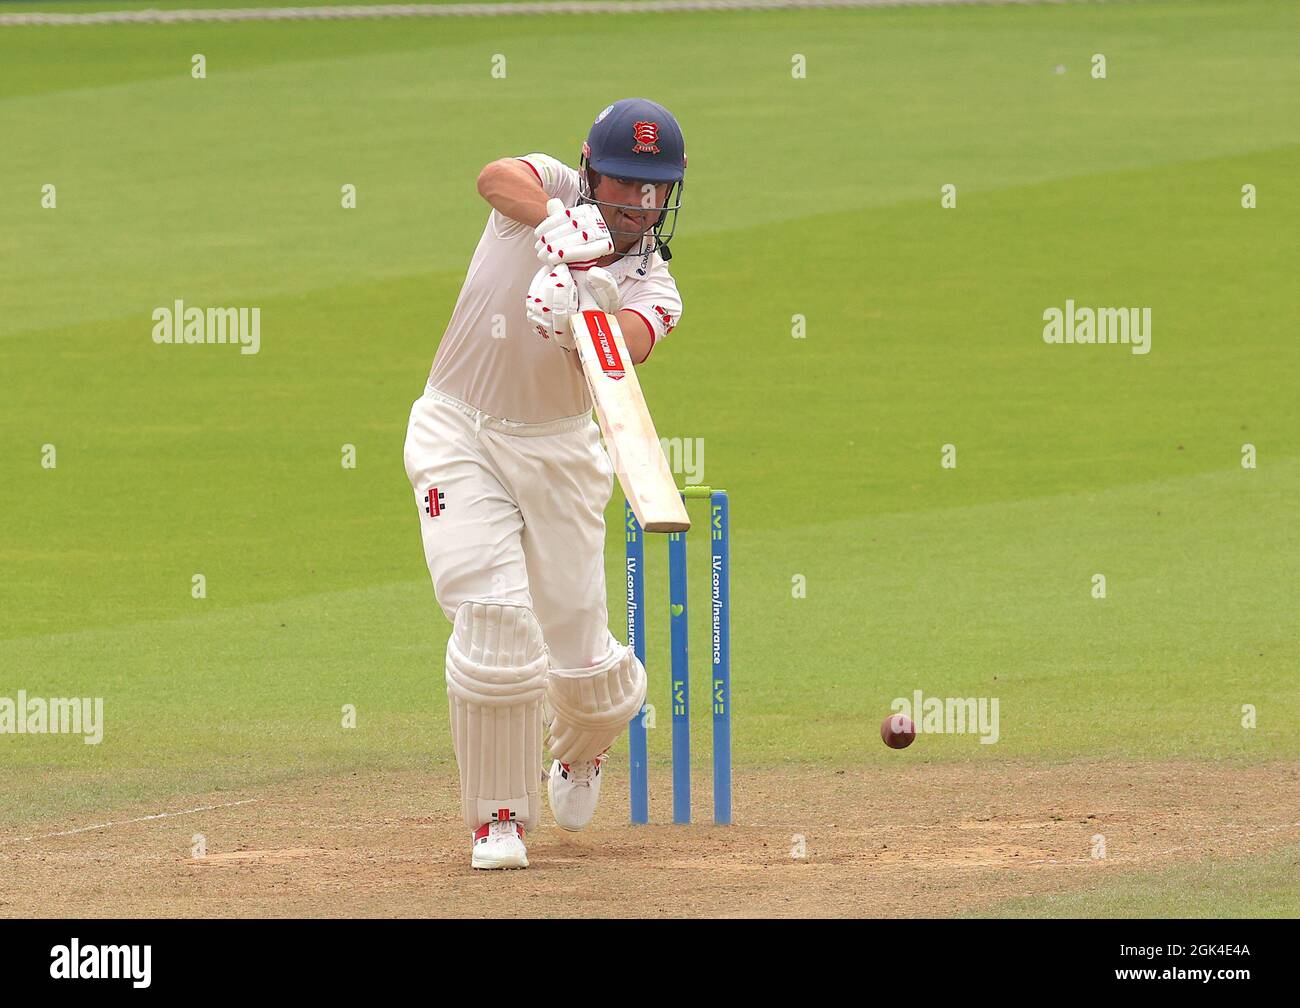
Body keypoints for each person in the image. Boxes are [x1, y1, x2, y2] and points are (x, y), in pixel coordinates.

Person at [403, 98, 686, 869]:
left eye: (653, 189)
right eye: (625, 182)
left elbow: (625, 349)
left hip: (561, 456)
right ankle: (499, 819)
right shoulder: (555, 189)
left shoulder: (656, 286)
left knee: (589, 675)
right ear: (592, 170)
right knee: (495, 624)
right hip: (459, 429)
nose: (638, 203)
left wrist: (580, 318)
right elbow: (496, 177)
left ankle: (580, 749)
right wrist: (557, 226)